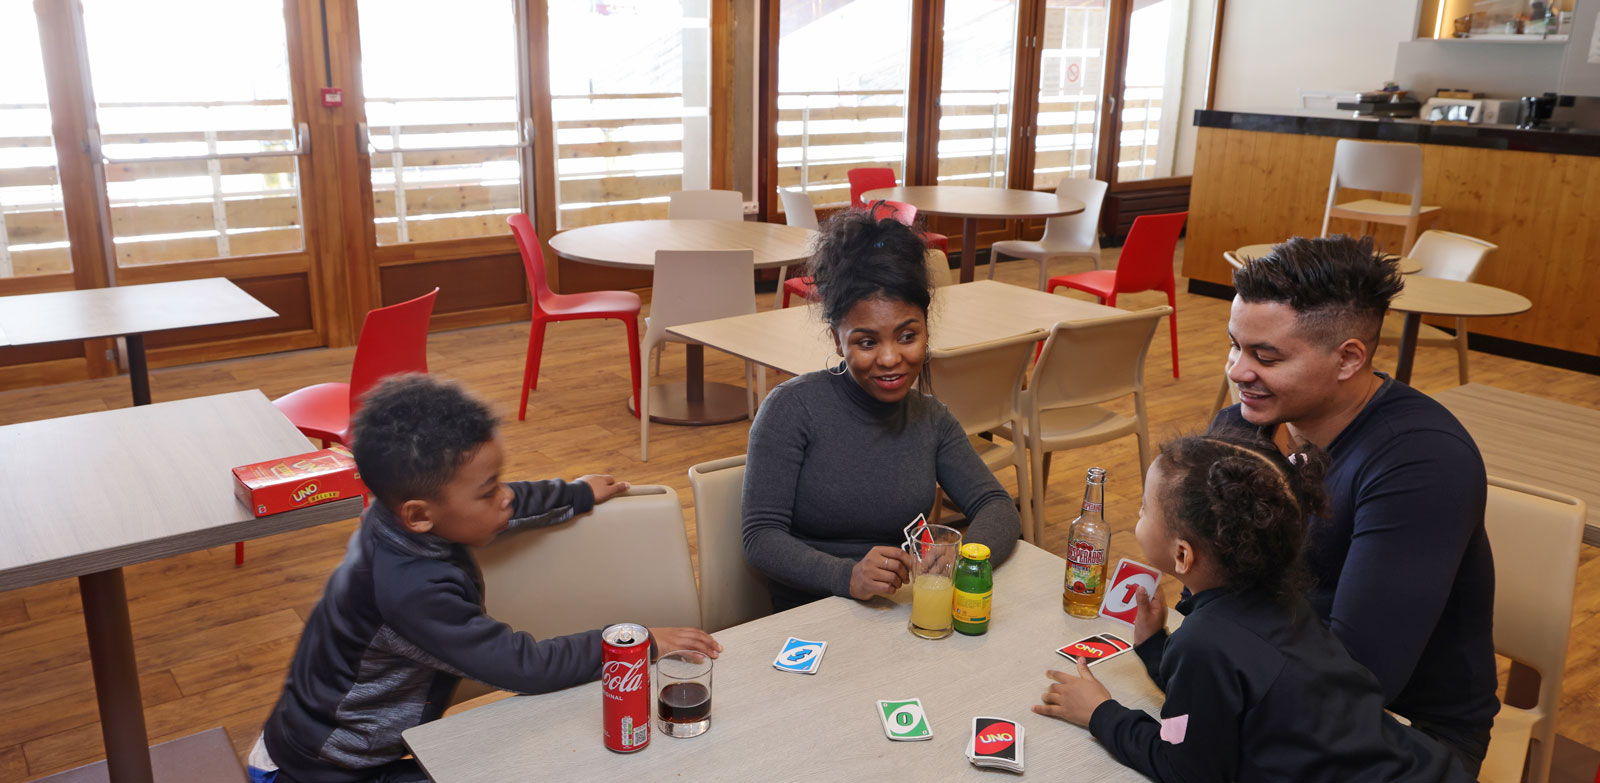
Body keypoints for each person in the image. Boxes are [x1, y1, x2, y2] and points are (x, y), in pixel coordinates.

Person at [250, 375, 720, 783]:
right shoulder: (409, 591)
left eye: (498, 481)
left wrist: (574, 493)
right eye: (488, 489)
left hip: (357, 752)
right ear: (418, 515)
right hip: (322, 770)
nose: (504, 500)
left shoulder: (403, 514)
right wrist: (634, 646)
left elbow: (498, 505)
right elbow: (524, 666)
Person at [1033, 431, 1473, 782]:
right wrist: (1154, 646)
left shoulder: (1206, 643)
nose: (1138, 517)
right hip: (1424, 764)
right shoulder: (1283, 602)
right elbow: (1221, 699)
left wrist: (1101, 714)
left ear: (1183, 556)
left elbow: (1186, 768)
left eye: (1145, 509)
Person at [1212, 235, 1497, 773]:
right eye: (1235, 346)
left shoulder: (1422, 465)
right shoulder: (1244, 428)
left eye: (1265, 356)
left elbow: (1360, 678)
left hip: (1404, 732)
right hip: (1259, 670)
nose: (1238, 371)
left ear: (1348, 358)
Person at [741, 206, 1022, 611]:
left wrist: (963, 554)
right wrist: (846, 575)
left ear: (926, 330)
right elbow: (761, 537)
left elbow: (997, 507)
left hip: (897, 610)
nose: (890, 359)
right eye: (867, 342)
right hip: (809, 614)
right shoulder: (792, 410)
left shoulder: (932, 418)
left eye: (907, 336)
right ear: (838, 341)